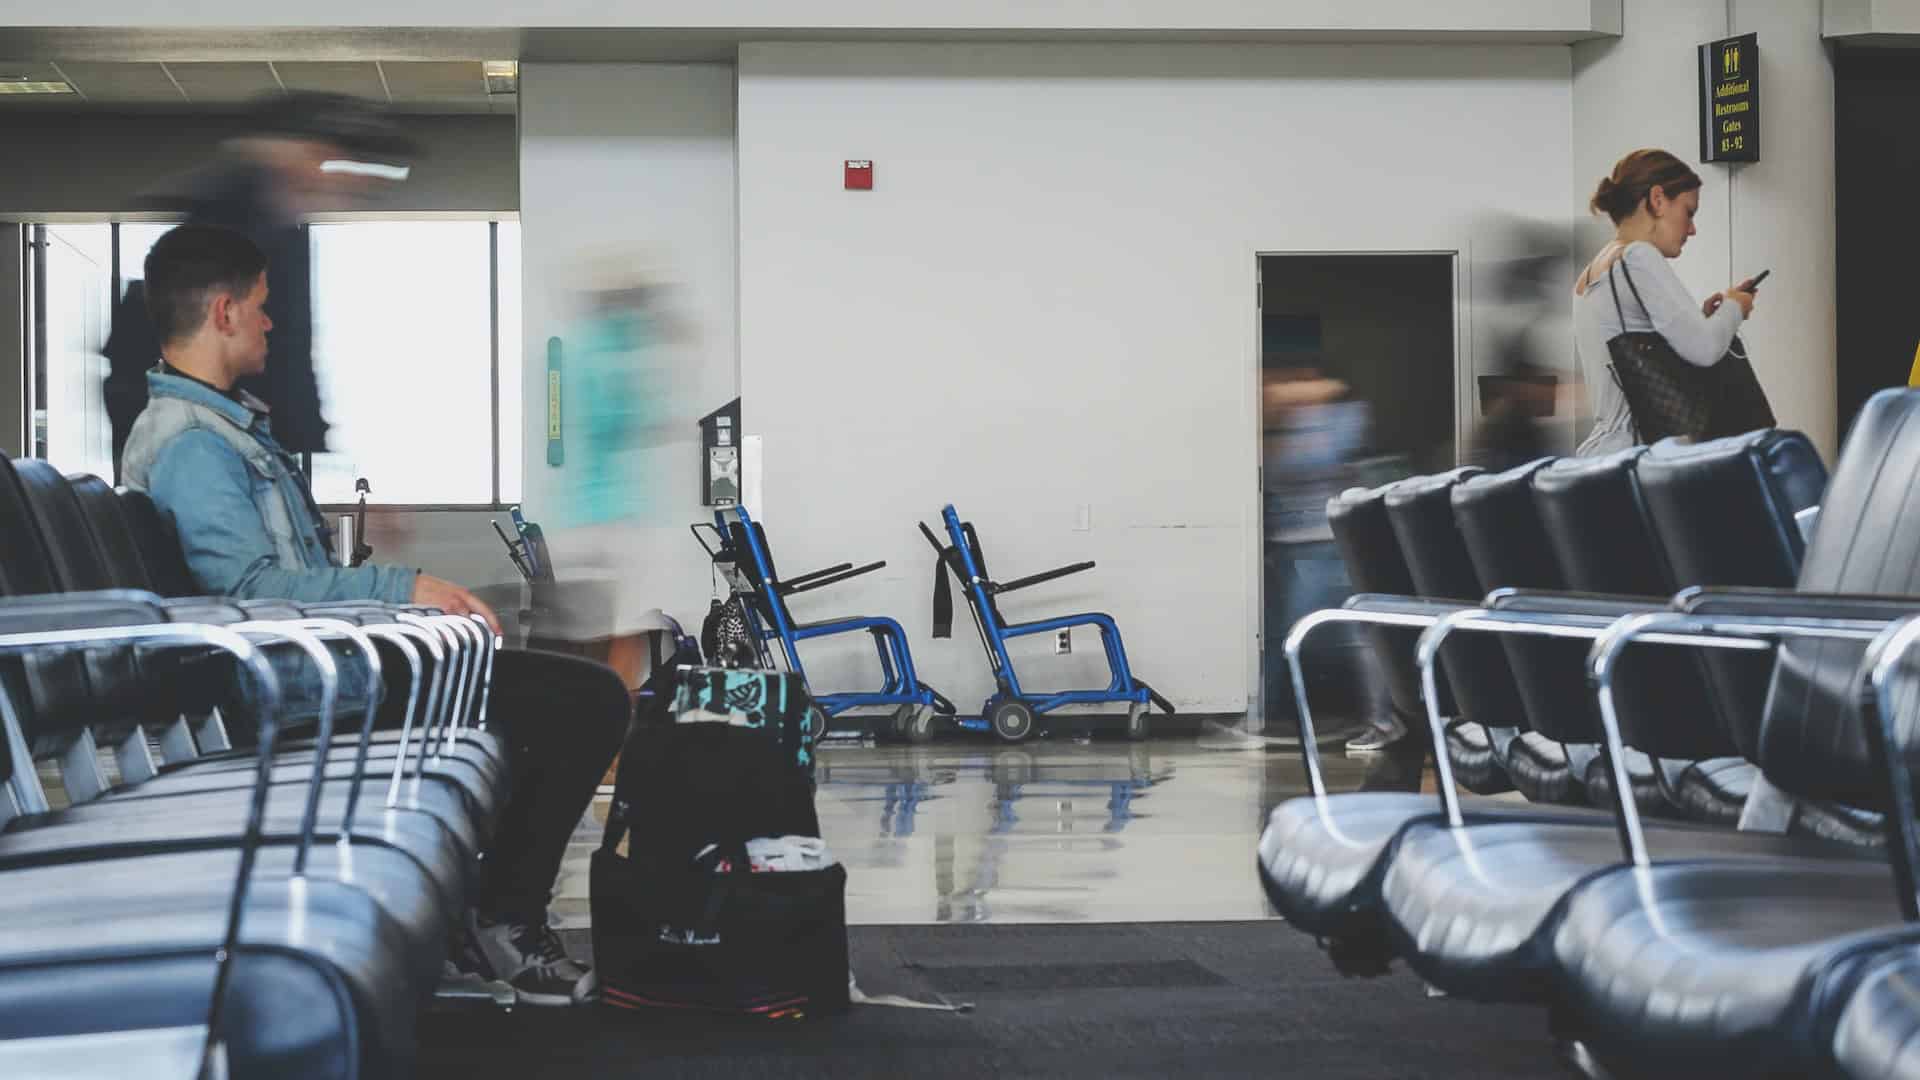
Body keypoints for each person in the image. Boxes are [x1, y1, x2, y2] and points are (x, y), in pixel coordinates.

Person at [120, 223, 625, 1007]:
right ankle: (501, 920)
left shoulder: (221, 430)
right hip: (292, 690)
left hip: (313, 671)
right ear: (223, 313)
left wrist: (397, 601)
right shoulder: (194, 445)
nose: (270, 321)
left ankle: (475, 915)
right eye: (260, 306)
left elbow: (282, 582)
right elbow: (251, 593)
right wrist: (403, 590)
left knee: (550, 695)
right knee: (585, 700)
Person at [104, 91, 411, 470]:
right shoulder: (232, 222)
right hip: (197, 443)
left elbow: (288, 352)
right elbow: (273, 352)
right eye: (336, 158)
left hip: (220, 436)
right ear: (301, 152)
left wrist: (313, 454)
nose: (350, 180)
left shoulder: (281, 228)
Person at [1573, 149, 1757, 456]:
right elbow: (1705, 348)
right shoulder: (1638, 255)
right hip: (1641, 455)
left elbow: (1636, 350)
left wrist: (1699, 318)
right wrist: (1735, 307)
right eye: (1689, 212)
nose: (1692, 229)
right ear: (1657, 199)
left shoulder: (1592, 272)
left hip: (1603, 453)